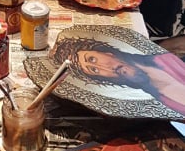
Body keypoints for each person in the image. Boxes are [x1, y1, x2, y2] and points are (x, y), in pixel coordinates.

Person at [49, 36, 185, 115]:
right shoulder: (152, 101)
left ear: (107, 53)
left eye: (92, 59)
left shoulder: (167, 58)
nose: (104, 68)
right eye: (94, 70)